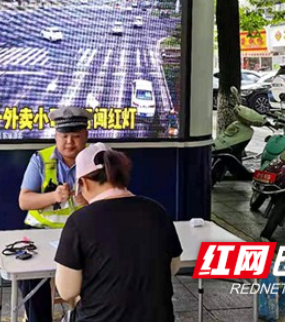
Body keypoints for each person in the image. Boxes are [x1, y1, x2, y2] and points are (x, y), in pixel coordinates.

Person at [55, 143, 184, 323]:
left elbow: (67, 290)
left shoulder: (79, 221)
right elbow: (173, 266)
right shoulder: (156, 211)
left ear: (83, 182)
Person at [18, 107, 92, 323]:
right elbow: (24, 201)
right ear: (56, 136)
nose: (69, 142)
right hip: (43, 234)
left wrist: (86, 203)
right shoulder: (40, 159)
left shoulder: (98, 159)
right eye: (64, 136)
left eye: (76, 136)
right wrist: (53, 196)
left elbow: (111, 203)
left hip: (85, 235)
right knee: (31, 277)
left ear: (86, 135)